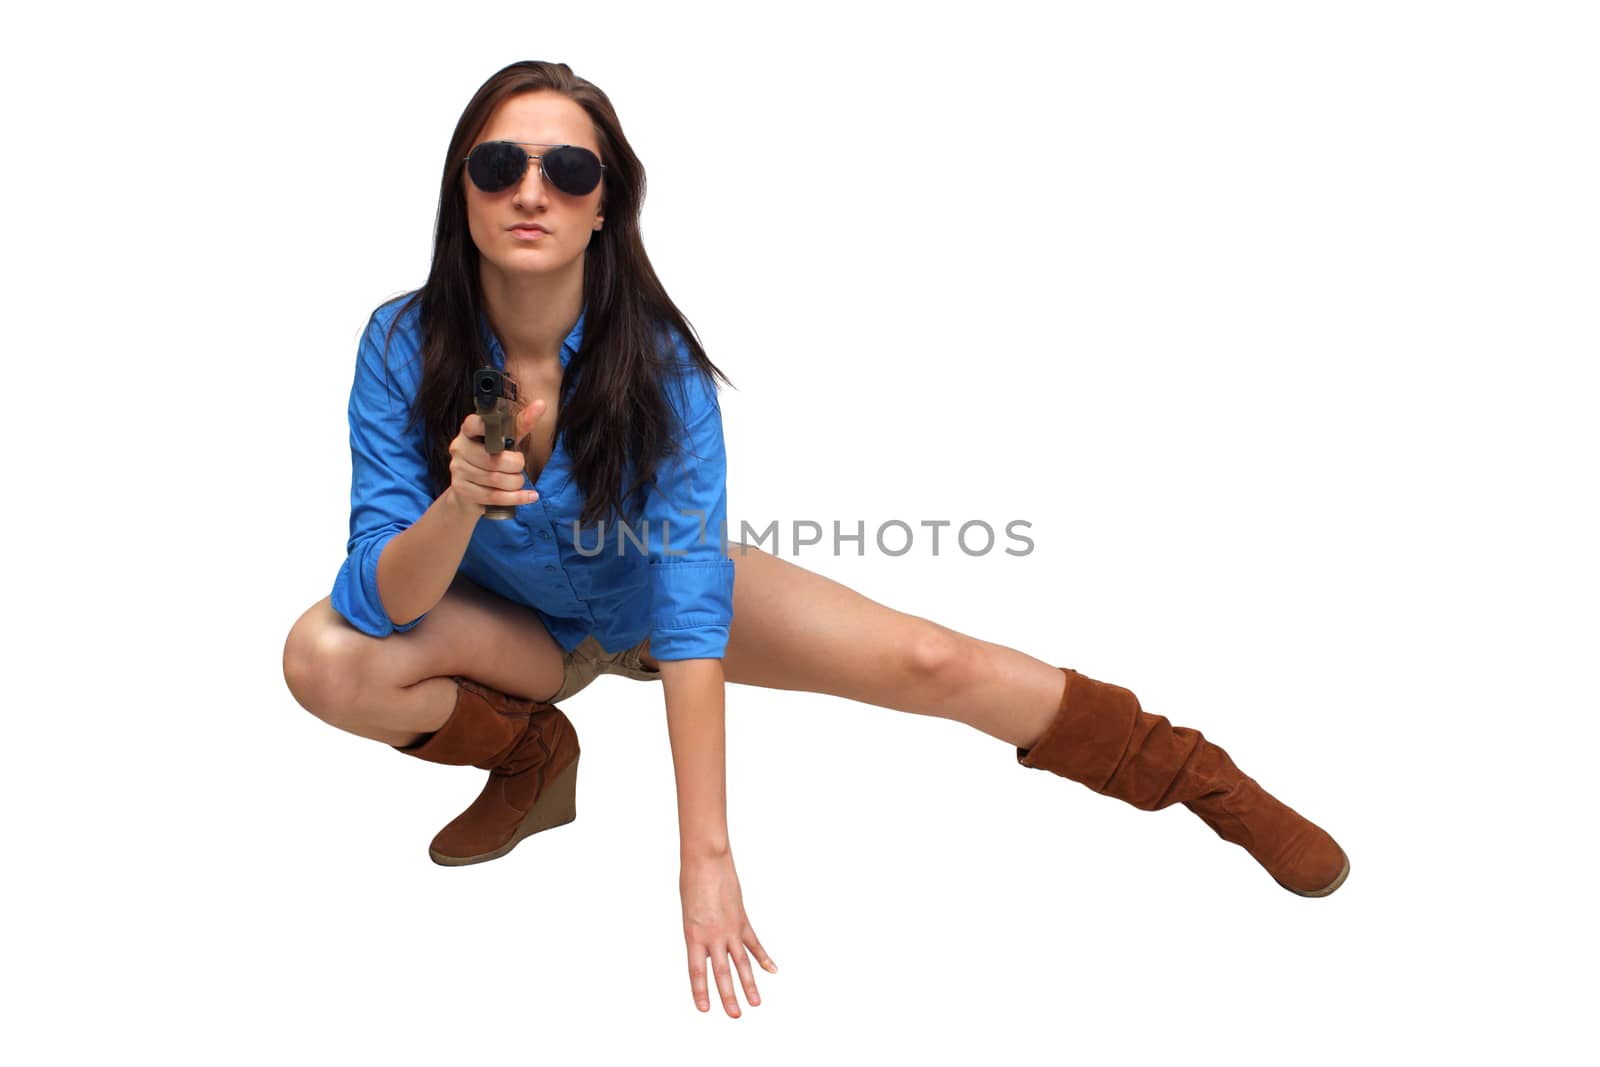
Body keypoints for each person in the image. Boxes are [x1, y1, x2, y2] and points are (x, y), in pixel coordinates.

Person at [282, 59, 1349, 1018]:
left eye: (567, 167)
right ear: (460, 186)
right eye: (498, 162)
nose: (530, 189)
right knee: (324, 655)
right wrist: (461, 501)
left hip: (656, 603)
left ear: (606, 203)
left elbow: (693, 607)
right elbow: (381, 599)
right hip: (508, 626)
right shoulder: (399, 343)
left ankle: (1206, 781)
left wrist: (704, 855)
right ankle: (531, 752)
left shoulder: (655, 363)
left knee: (936, 658)